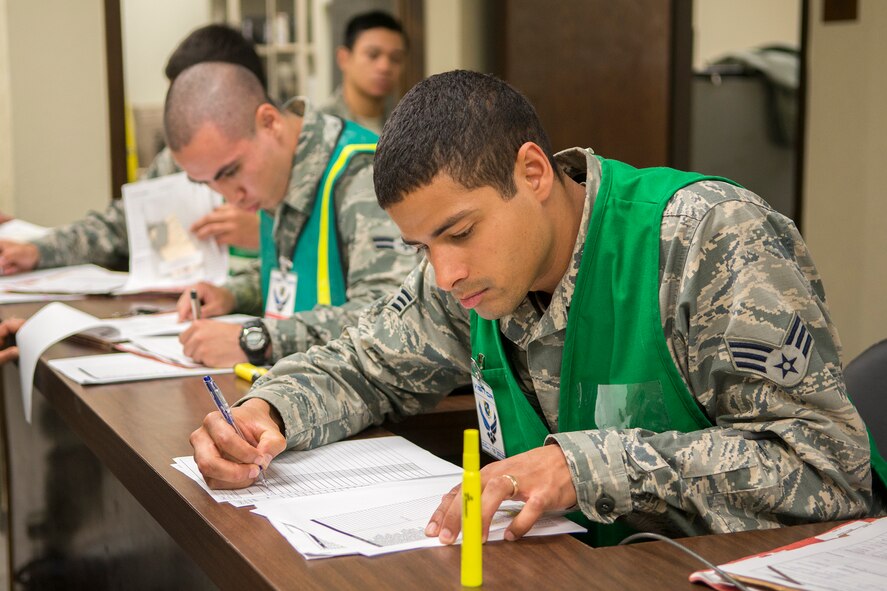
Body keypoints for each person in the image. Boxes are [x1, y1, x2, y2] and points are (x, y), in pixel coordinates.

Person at [189, 70, 886, 547]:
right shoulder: (464, 279)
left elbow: (827, 473)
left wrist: (584, 467)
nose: (445, 270)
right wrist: (267, 414)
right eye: (421, 245)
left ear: (532, 172)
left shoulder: (709, 238)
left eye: (459, 232)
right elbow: (363, 362)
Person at [167, 62, 415, 368]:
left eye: (231, 171)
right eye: (208, 182)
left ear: (269, 122)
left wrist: (259, 340)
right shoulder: (278, 172)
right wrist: (233, 295)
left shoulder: (362, 174)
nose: (230, 195)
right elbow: (296, 270)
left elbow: (392, 316)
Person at [0, 24, 263, 276]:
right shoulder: (176, 162)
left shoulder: (284, 159)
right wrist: (37, 251)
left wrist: (266, 237)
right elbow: (119, 226)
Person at [318, 11, 407, 134]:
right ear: (343, 58)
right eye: (373, 55)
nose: (385, 67)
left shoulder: (406, 127)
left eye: (396, 58)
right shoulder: (319, 126)